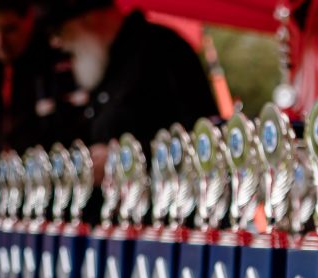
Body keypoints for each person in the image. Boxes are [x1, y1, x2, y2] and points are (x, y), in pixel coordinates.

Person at [48, 0, 219, 182]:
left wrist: (124, 159)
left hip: (168, 190)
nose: (61, 43)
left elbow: (203, 134)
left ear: (89, 19)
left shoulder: (163, 48)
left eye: (62, 31)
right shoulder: (106, 61)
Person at [0, 0, 74, 265]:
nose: (0, 41)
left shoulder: (57, 61)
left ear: (30, 18)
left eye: (10, 29)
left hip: (42, 218)